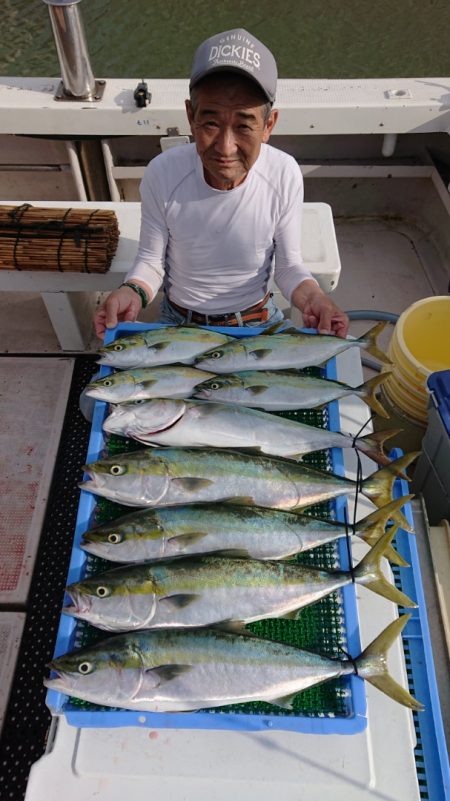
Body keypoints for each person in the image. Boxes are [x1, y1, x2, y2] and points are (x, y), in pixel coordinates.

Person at [94, 28, 349, 339]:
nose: (226, 148)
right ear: (191, 116)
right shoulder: (163, 173)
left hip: (256, 319)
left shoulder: (284, 173)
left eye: (244, 125)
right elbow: (151, 262)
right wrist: (131, 292)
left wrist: (316, 299)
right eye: (211, 123)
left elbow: (288, 267)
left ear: (269, 125)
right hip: (179, 321)